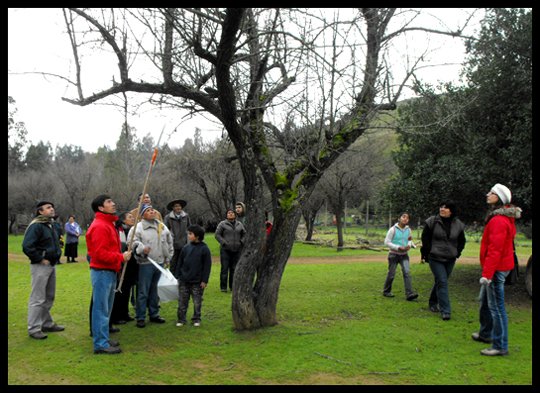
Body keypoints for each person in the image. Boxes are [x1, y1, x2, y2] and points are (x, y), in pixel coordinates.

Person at [473, 184, 521, 356]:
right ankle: (485, 333)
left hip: (496, 269)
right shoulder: (501, 217)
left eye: (492, 192)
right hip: (498, 267)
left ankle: (500, 346)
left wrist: (487, 275)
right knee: (484, 300)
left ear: (499, 197)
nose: (488, 194)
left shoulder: (499, 220)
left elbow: (495, 249)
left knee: (497, 308)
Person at [86, 194, 131, 355]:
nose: (113, 204)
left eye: (112, 200)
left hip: (110, 271)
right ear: (100, 208)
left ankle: (103, 338)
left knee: (106, 309)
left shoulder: (108, 224)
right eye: (109, 202)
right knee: (101, 309)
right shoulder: (100, 226)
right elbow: (99, 254)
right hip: (102, 272)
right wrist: (121, 257)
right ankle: (100, 344)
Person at [22, 200, 64, 340]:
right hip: (41, 266)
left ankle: (47, 323)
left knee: (49, 296)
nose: (52, 209)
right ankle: (33, 328)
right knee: (38, 298)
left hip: (52, 264)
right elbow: (27, 246)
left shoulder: (51, 225)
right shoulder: (37, 226)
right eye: (48, 208)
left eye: (52, 207)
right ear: (40, 211)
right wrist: (40, 258)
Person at [129, 204, 174, 328]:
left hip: (160, 263)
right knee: (143, 292)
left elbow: (169, 242)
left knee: (155, 291)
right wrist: (142, 248)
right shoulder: (137, 228)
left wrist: (168, 258)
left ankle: (154, 314)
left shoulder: (161, 226)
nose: (151, 212)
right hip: (146, 264)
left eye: (152, 210)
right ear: (142, 215)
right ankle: (141, 317)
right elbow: (131, 242)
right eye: (148, 211)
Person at [421, 199, 466, 321]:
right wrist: (429, 250)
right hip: (435, 257)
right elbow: (425, 237)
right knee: (442, 281)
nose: (442, 209)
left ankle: (432, 302)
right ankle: (445, 310)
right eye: (441, 207)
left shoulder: (458, 224)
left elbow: (462, 240)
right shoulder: (432, 221)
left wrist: (457, 252)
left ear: (451, 211)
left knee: (441, 281)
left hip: (450, 258)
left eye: (446, 207)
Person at [175, 225, 212, 327]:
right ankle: (181, 319)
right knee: (182, 302)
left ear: (198, 236)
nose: (188, 236)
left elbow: (207, 267)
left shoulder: (205, 249)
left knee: (197, 302)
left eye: (190, 234)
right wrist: (178, 276)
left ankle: (196, 318)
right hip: (184, 280)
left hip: (197, 282)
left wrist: (204, 280)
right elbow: (180, 262)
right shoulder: (186, 248)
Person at [383, 212, 419, 301]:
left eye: (407, 218)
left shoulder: (408, 230)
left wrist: (409, 245)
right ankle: (386, 291)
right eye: (403, 217)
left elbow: (409, 239)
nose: (405, 219)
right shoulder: (393, 230)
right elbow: (387, 242)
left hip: (404, 255)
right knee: (391, 274)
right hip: (393, 255)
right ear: (399, 219)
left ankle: (409, 294)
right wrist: (398, 247)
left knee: (407, 273)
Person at [110, 212, 138, 325]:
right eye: (130, 217)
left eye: (133, 217)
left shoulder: (131, 231)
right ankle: (116, 316)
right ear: (123, 220)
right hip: (120, 264)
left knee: (126, 290)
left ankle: (125, 314)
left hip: (130, 265)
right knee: (119, 291)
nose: (133, 219)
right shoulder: (118, 231)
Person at [215, 209, 246, 293]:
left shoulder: (239, 224)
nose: (231, 214)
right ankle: (223, 287)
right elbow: (217, 235)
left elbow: (244, 234)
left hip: (237, 250)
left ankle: (232, 286)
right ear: (226, 215)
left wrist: (241, 242)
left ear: (235, 215)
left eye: (232, 213)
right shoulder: (222, 224)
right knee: (224, 269)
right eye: (229, 213)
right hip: (225, 250)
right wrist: (224, 243)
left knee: (234, 269)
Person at [163, 198, 191, 277]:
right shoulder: (168, 218)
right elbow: (165, 231)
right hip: (173, 245)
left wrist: (188, 241)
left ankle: (183, 280)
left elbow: (189, 229)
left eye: (179, 206)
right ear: (173, 208)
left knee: (184, 263)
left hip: (184, 244)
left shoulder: (186, 216)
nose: (178, 207)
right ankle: (174, 280)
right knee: (173, 265)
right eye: (176, 206)